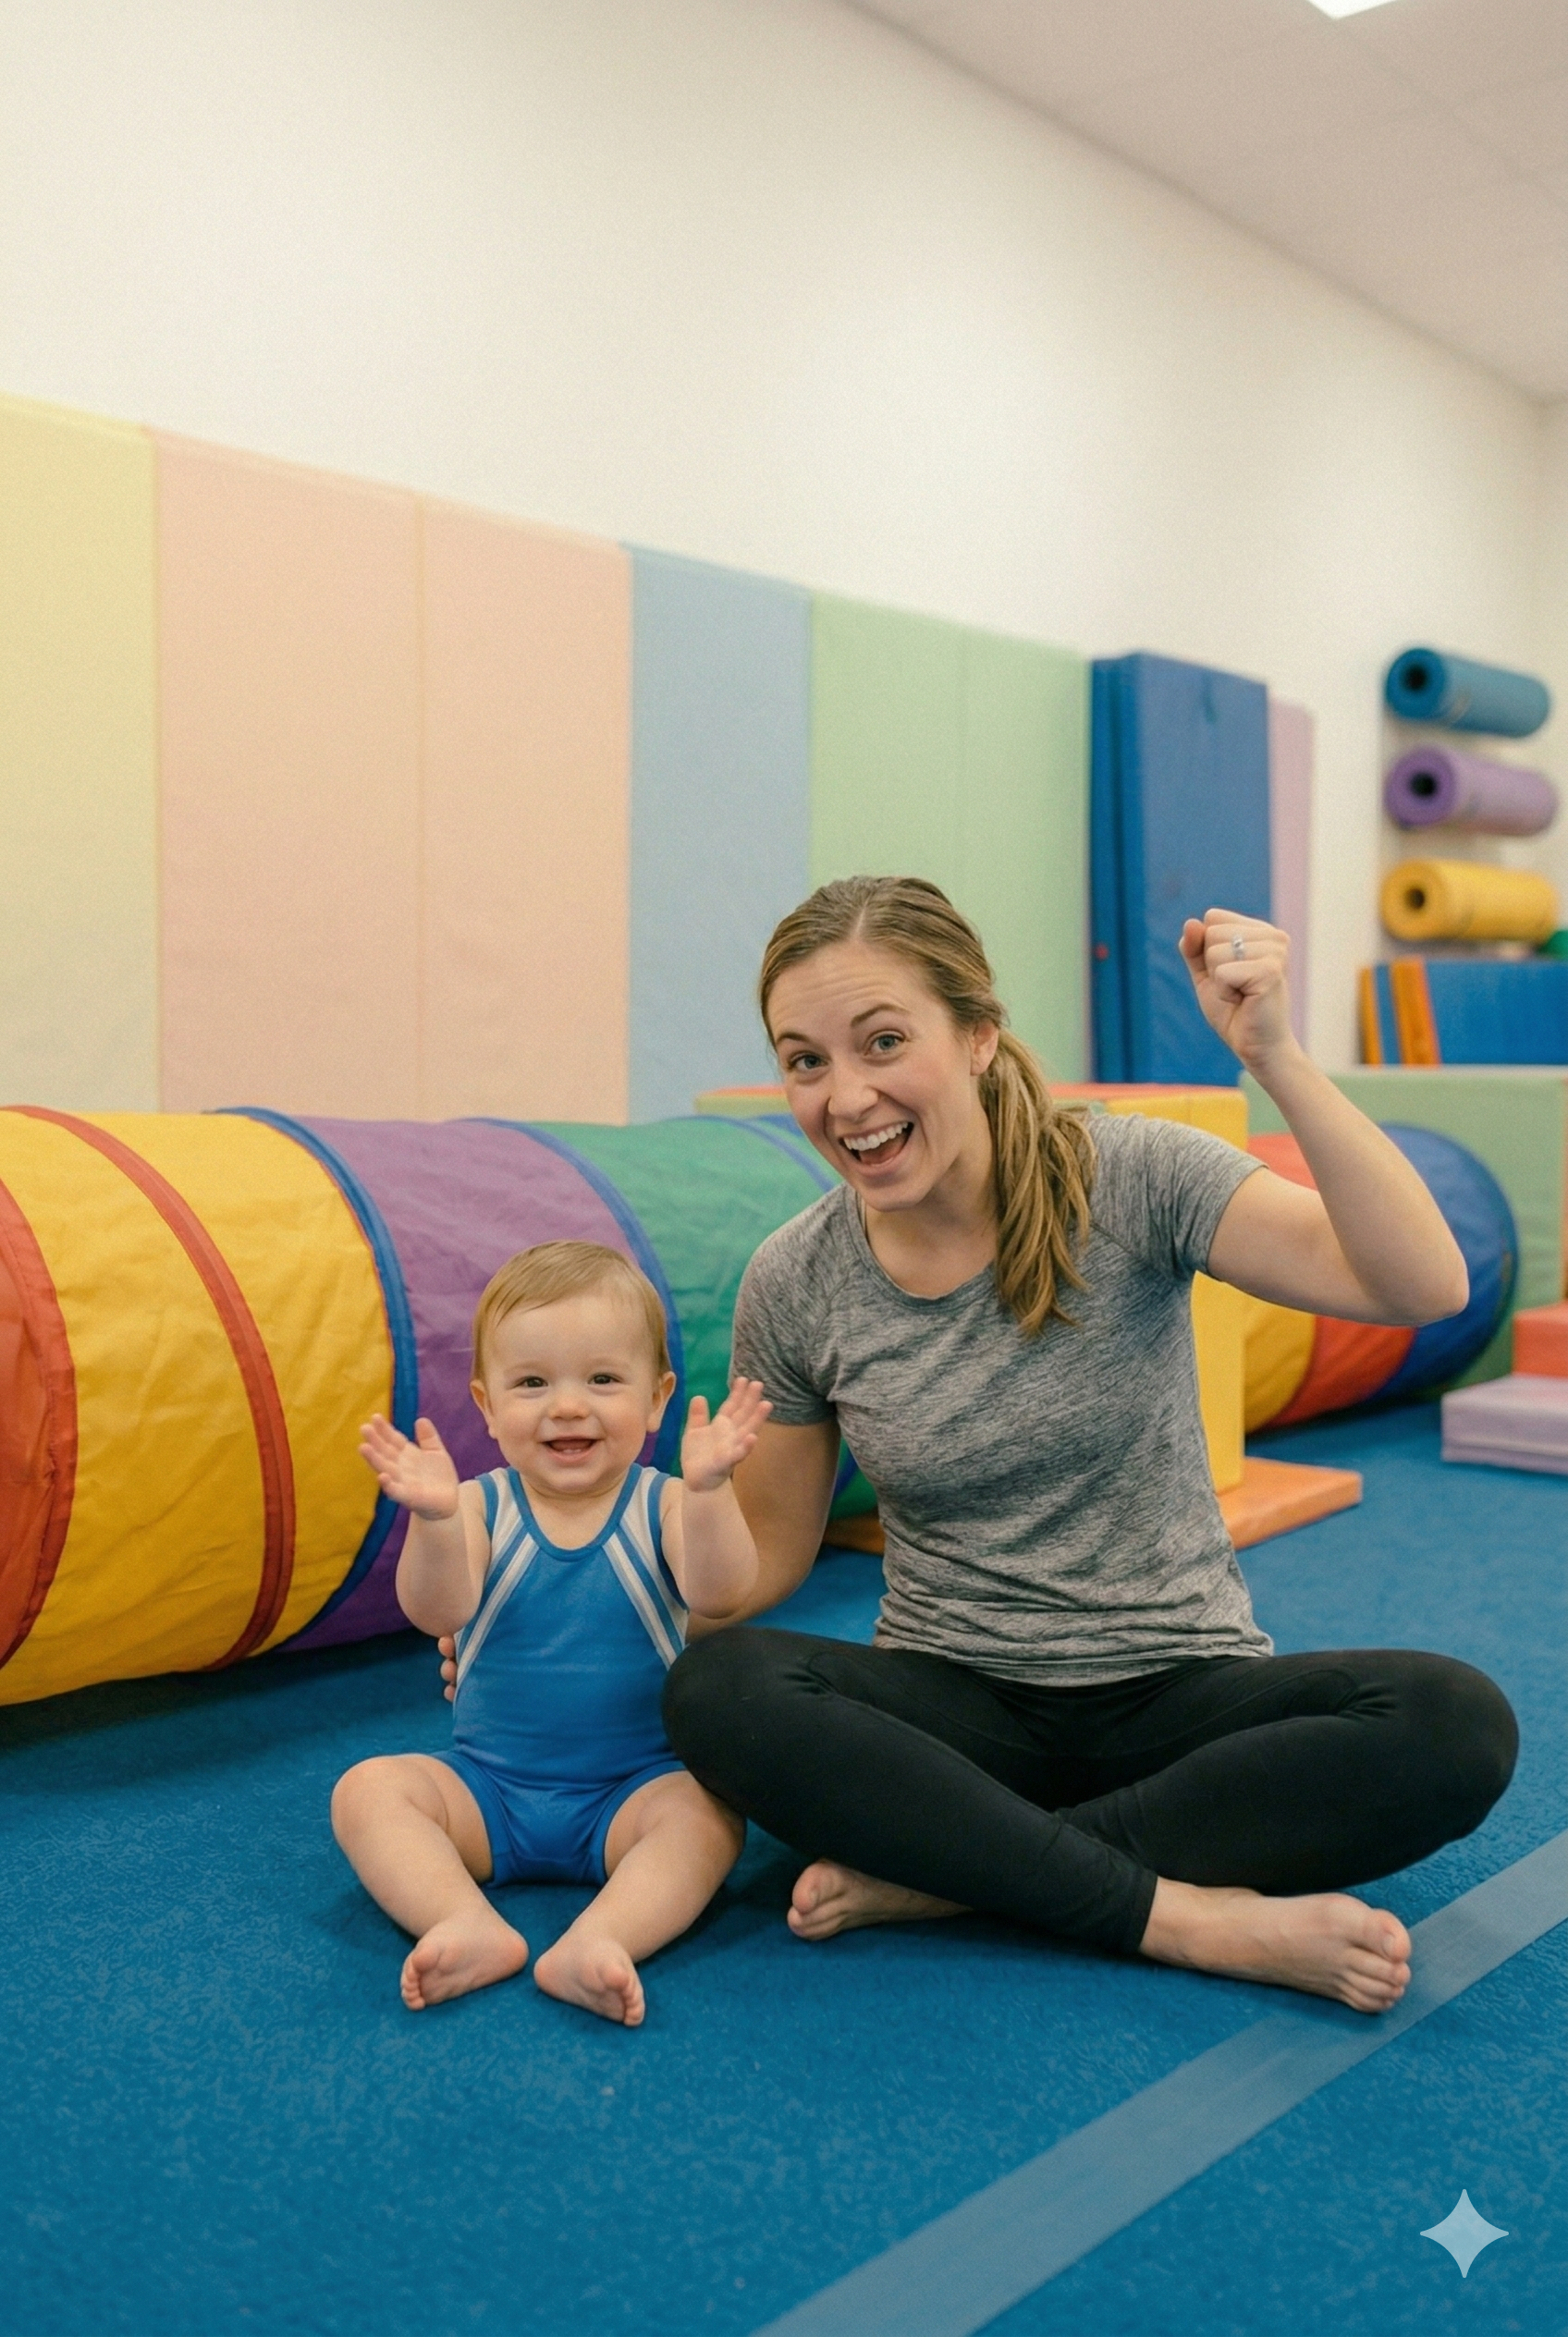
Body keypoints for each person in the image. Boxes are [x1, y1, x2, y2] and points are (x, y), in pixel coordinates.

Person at [655, 875, 1517, 2016]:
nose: (845, 1095)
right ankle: (1182, 1915)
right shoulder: (795, 1276)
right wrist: (563, 1579)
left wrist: (1278, 1059)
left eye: (881, 1041)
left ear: (976, 1035)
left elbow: (1421, 1282)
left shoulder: (1130, 1176)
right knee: (721, 1687)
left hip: (1173, 1695)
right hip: (952, 1716)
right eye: (804, 1059)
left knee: (1454, 1723)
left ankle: (962, 1877)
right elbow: (759, 1561)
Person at [332, 1241, 769, 2025]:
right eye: (532, 1384)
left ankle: (602, 1938)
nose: (568, 1406)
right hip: (487, 1789)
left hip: (629, 1795)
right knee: (367, 1790)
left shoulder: (663, 1504)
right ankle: (461, 1920)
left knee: (707, 1816)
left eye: (603, 1379)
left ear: (659, 1398)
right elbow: (437, 1612)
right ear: (488, 1406)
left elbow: (724, 1591)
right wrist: (432, 1522)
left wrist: (711, 1494)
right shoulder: (478, 1505)